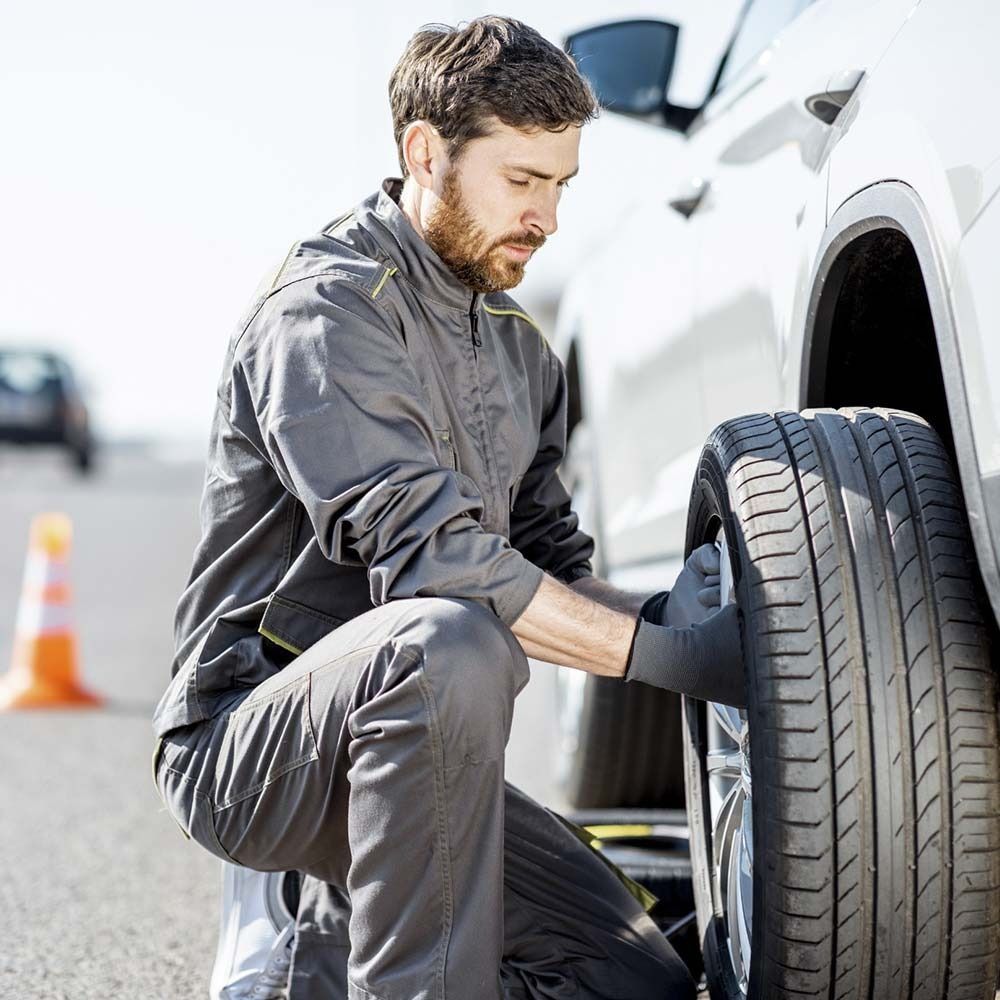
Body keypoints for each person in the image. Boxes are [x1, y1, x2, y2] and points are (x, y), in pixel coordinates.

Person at [151, 15, 743, 999]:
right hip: (257, 747)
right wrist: (663, 657)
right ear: (426, 153)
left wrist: (673, 615)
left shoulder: (520, 349)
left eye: (561, 185)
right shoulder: (325, 311)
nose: (547, 217)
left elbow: (547, 571)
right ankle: (314, 930)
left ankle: (332, 965)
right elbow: (430, 562)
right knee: (446, 640)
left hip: (424, 746)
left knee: (629, 977)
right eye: (522, 180)